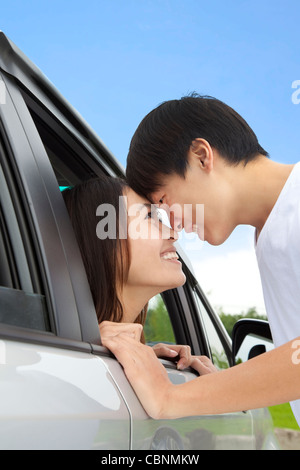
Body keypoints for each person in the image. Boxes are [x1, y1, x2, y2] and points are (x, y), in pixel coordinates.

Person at [101, 94, 300, 424]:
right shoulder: (272, 232)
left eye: (164, 201)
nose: (175, 226)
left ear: (200, 157)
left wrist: (170, 396)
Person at [63, 175, 217, 374]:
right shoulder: (73, 357)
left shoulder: (82, 354)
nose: (174, 234)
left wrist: (146, 355)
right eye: (148, 217)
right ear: (101, 242)